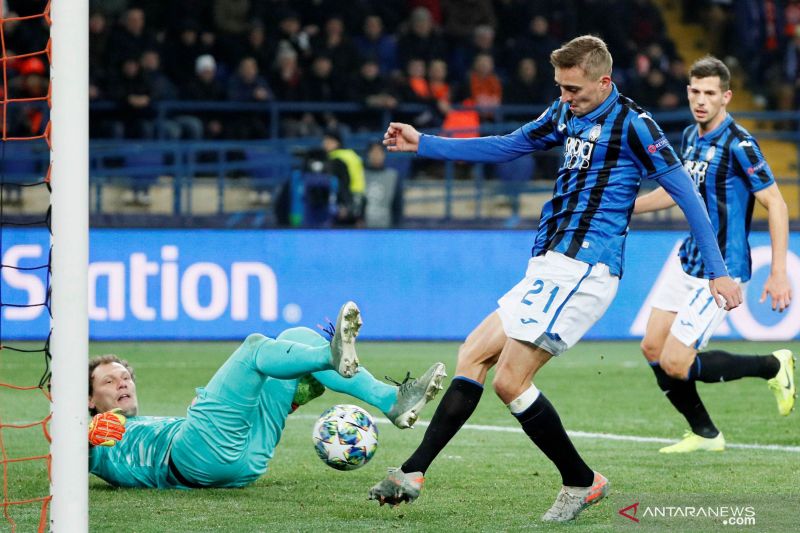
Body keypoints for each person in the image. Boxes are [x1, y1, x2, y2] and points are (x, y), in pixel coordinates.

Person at [367, 35, 743, 522]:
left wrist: (718, 272)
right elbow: (510, 146)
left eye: (573, 88)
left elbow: (687, 195)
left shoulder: (635, 124)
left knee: (509, 380)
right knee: (472, 354)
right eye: (560, 87)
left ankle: (581, 481)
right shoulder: (565, 110)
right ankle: (415, 471)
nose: (565, 97)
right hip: (550, 261)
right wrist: (425, 143)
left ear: (603, 81)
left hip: (587, 267)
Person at [88, 302, 447, 489]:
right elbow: (69, 453)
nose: (121, 383)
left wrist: (289, 401)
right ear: (88, 400)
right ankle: (330, 355)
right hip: (189, 458)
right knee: (255, 348)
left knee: (297, 335)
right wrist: (83, 438)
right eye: (108, 382)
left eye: (124, 377)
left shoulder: (147, 421)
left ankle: (392, 401)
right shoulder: (91, 434)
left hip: (246, 462)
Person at [633, 56, 795, 454]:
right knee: (653, 347)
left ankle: (772, 366)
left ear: (726, 96)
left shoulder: (740, 143)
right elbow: (675, 191)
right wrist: (625, 207)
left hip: (723, 266)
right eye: (695, 92)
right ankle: (705, 434)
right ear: (688, 91)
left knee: (676, 362)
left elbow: (775, 202)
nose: (701, 100)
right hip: (689, 256)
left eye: (710, 93)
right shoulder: (689, 136)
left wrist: (778, 272)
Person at [322, 131, 367, 226]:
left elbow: (343, 183)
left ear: (336, 142)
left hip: (346, 206)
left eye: (327, 141)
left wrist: (344, 205)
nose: (324, 144)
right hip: (358, 201)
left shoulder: (337, 159)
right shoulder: (351, 155)